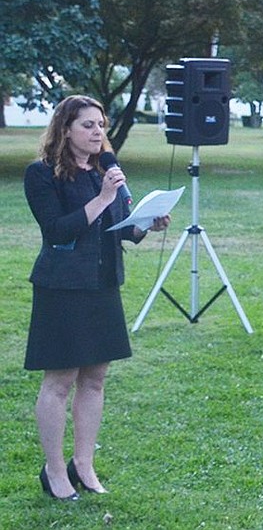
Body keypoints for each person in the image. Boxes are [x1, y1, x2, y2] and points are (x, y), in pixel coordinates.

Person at [24, 95, 171, 500]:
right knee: (60, 380)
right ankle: (54, 471)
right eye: (88, 125)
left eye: (101, 125)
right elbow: (58, 230)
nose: (97, 132)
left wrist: (145, 225)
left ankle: (83, 464)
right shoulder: (41, 175)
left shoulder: (105, 171)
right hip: (63, 286)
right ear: (65, 129)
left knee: (96, 377)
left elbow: (121, 228)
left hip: (103, 282)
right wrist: (104, 198)